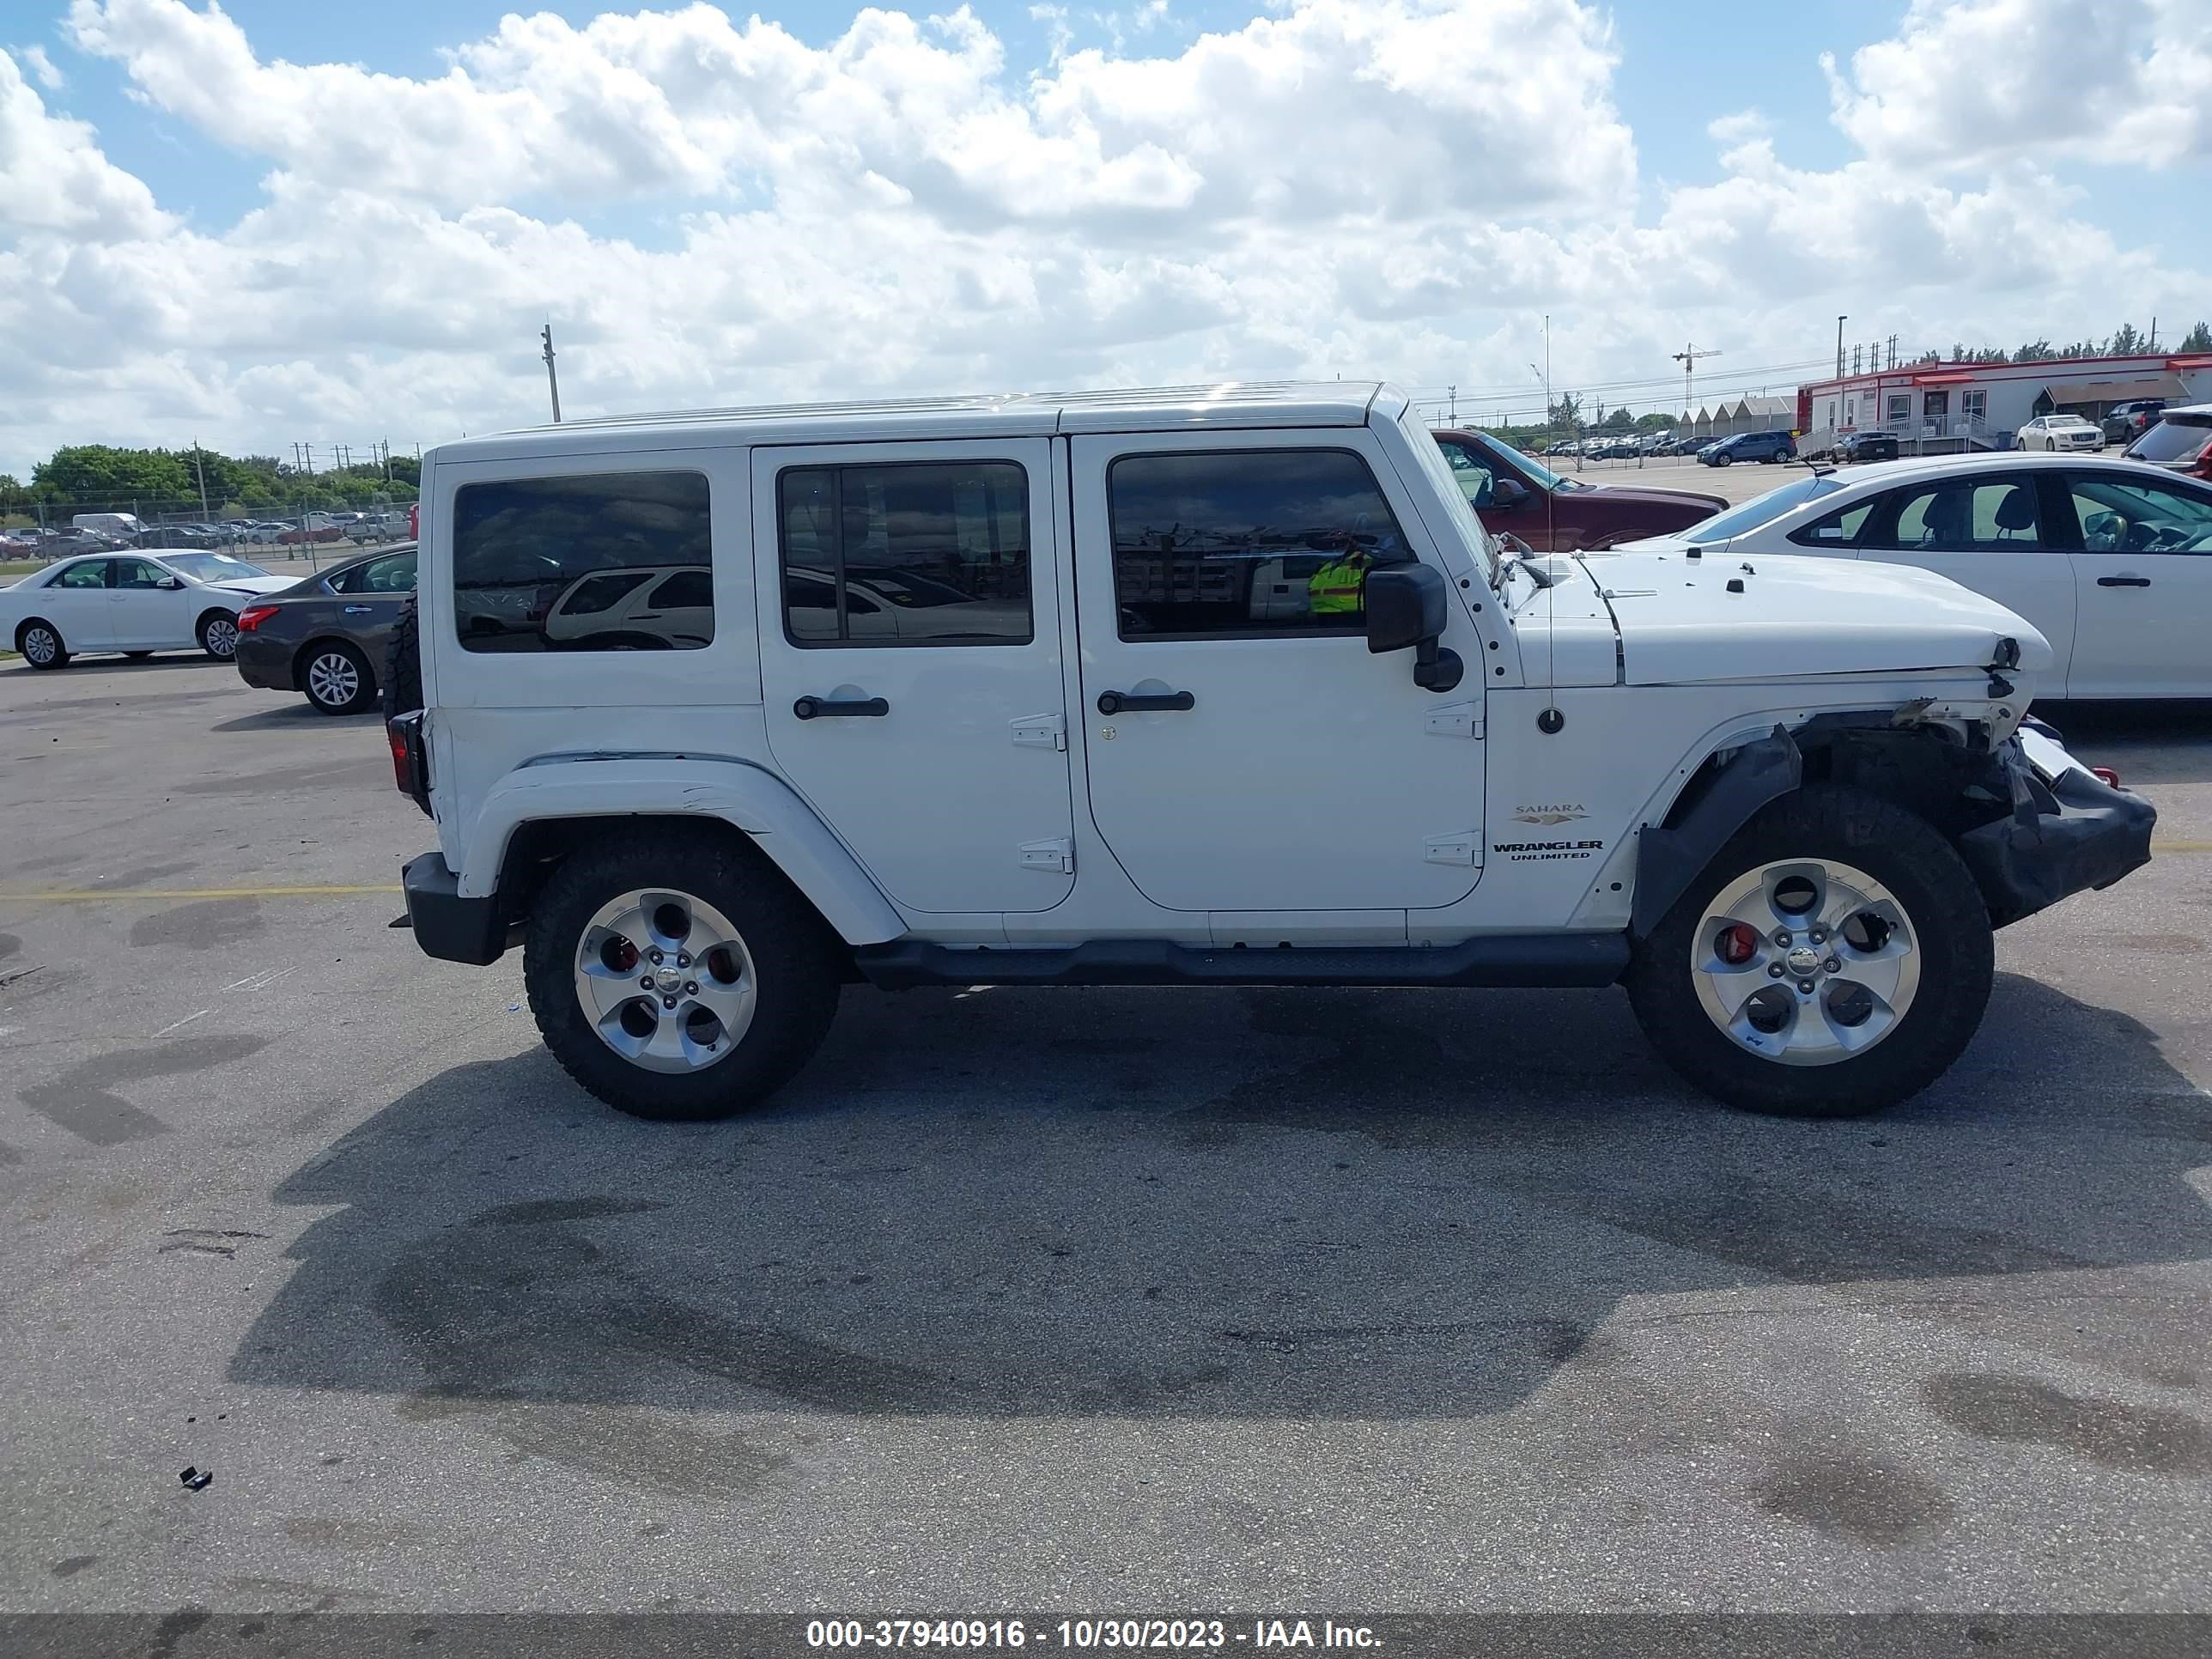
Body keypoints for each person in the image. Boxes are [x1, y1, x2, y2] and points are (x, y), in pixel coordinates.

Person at [1306, 535, 1371, 622]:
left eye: (1341, 539)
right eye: (1333, 540)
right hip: (1323, 616)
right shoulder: (1325, 564)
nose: (1336, 542)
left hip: (1355, 617)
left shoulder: (1365, 560)